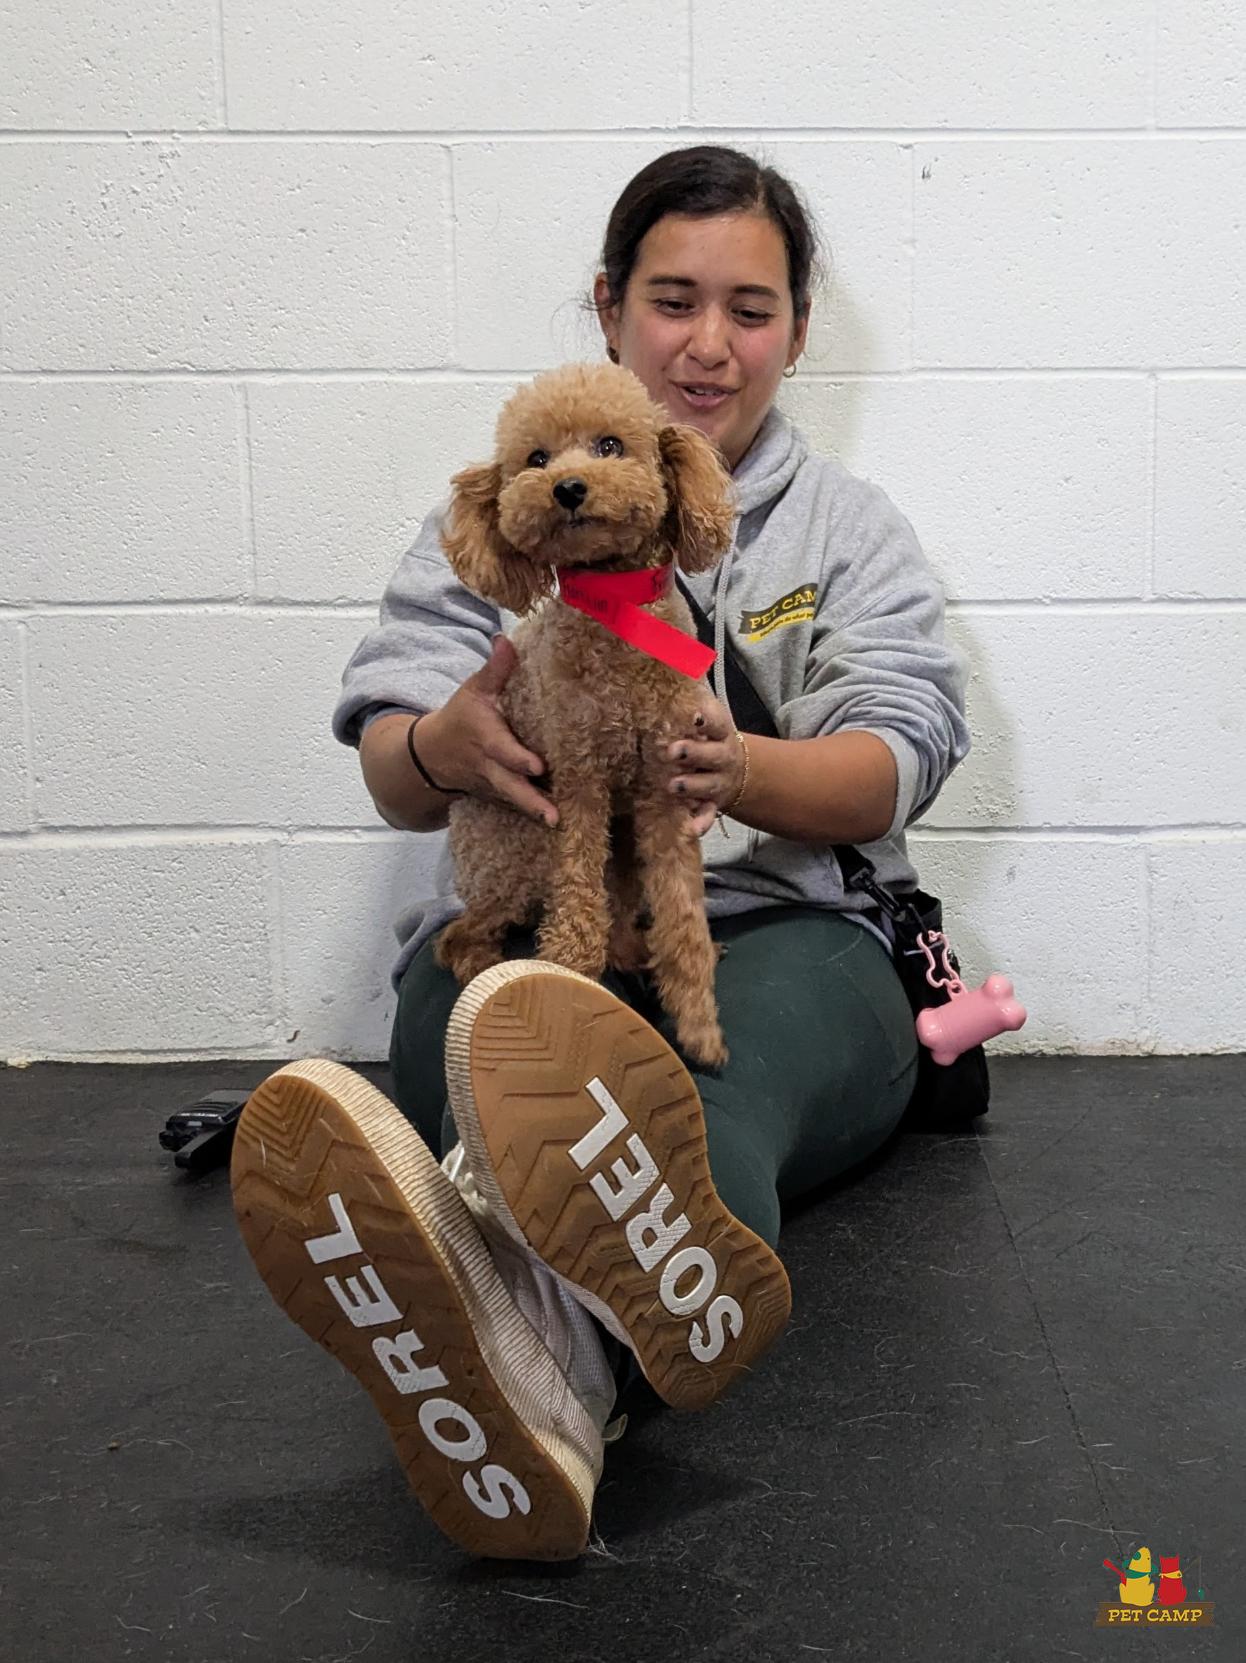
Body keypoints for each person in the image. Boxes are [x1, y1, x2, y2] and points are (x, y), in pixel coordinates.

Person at [230, 144, 971, 1563]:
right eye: (672, 300)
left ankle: (518, 1352)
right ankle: (561, 1376)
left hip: (779, 935)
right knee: (469, 1038)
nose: (708, 344)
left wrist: (740, 769)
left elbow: (902, 754)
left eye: (750, 309)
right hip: (530, 931)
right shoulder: (507, 509)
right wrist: (443, 744)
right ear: (609, 306)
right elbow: (392, 767)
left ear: (797, 330)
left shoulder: (846, 529)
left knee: (698, 1099)